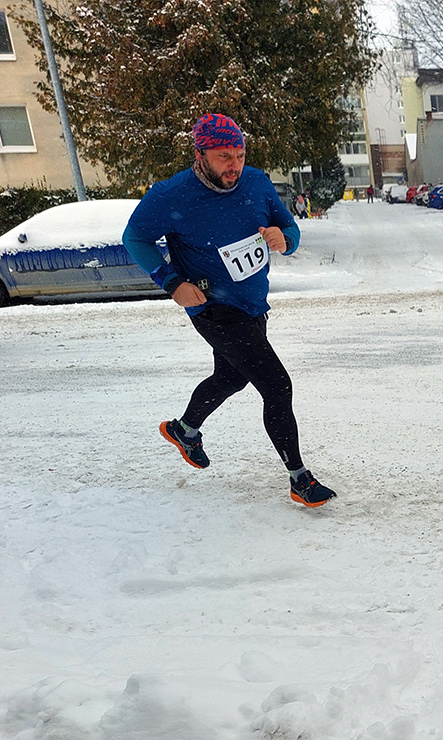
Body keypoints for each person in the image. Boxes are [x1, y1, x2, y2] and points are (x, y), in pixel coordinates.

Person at [122, 113, 337, 508]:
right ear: (200, 154)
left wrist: (285, 238)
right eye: (223, 156)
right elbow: (134, 238)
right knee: (276, 384)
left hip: (253, 304)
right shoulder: (172, 195)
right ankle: (299, 478)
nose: (233, 165)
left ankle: (184, 430)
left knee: (232, 377)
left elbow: (289, 227)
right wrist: (171, 282)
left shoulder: (256, 182)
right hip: (212, 307)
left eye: (239, 154)